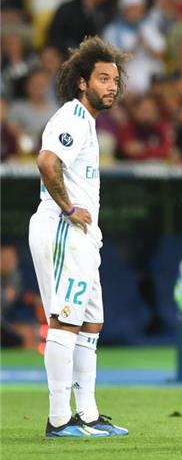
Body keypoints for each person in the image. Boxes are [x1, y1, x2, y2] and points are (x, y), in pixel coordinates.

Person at [28, 36, 129, 438]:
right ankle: (58, 419)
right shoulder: (72, 115)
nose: (112, 87)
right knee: (65, 320)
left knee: (90, 323)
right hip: (62, 229)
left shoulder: (86, 121)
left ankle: (87, 414)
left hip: (83, 236)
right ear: (83, 82)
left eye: (115, 80)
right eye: (103, 79)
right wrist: (69, 209)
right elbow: (46, 161)